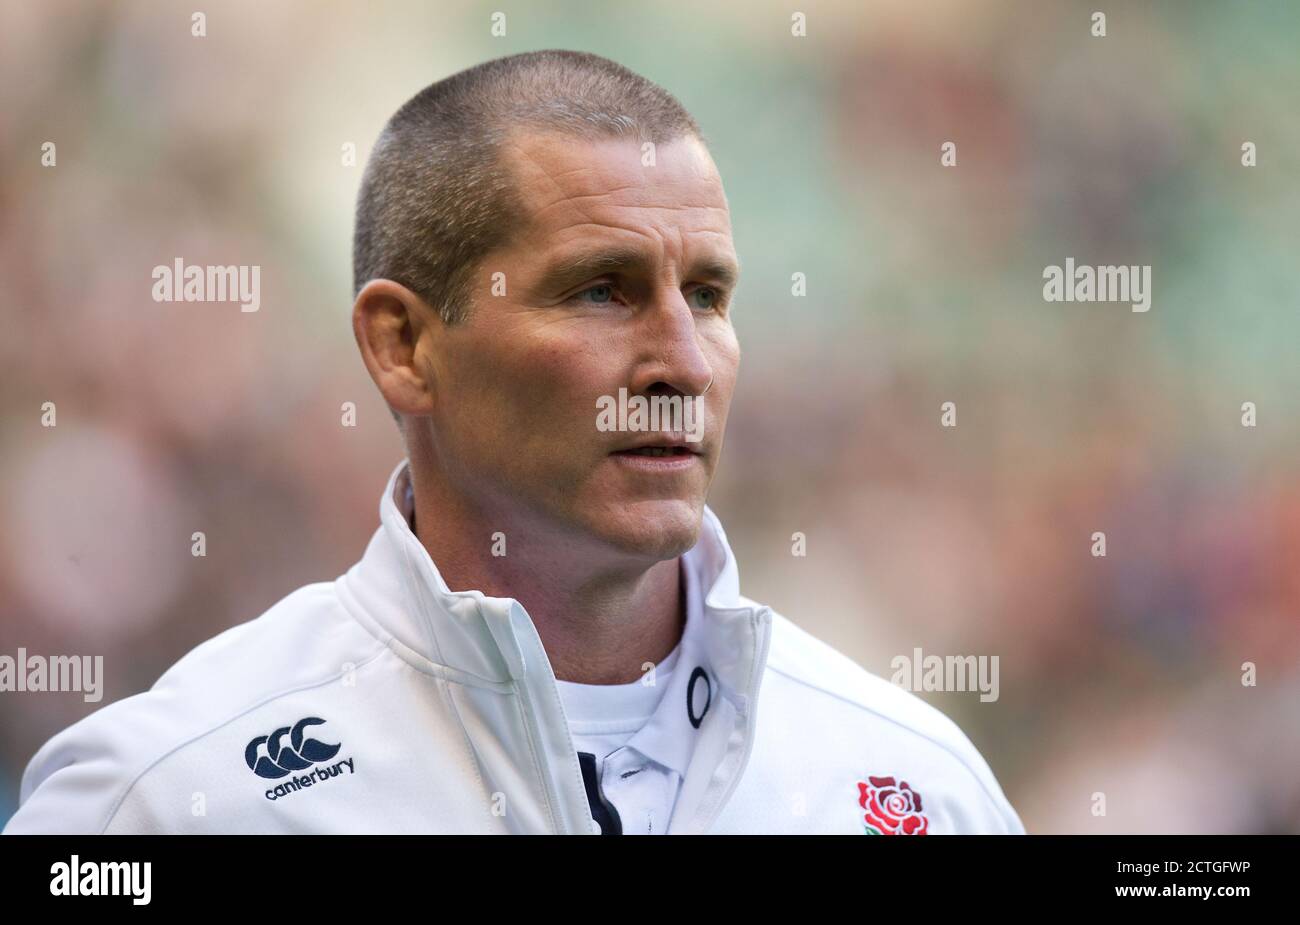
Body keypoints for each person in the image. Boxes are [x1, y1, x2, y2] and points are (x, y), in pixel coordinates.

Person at [4, 50, 1023, 835]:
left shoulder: (915, 785)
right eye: (599, 291)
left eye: (706, 296)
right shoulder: (166, 797)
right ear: (402, 345)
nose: (682, 361)